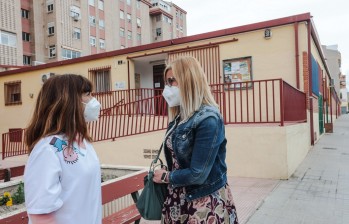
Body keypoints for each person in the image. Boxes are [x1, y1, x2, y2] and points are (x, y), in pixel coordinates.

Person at [153, 56, 239, 223]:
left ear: (188, 80)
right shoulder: (180, 117)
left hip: (202, 203)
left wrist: (166, 177)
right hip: (178, 198)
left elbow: (198, 174)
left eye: (172, 81)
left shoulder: (208, 119)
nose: (167, 88)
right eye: (166, 82)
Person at [24, 74, 102, 224]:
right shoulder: (47, 149)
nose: (93, 100)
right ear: (69, 101)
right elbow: (41, 213)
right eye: (87, 94)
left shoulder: (83, 141)